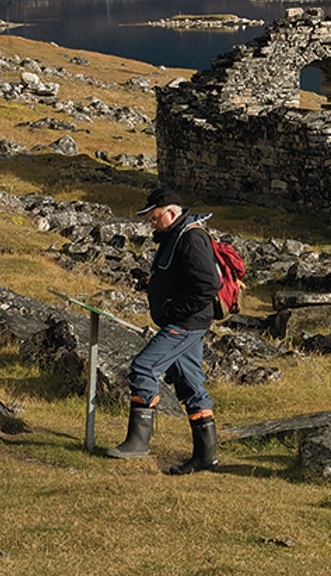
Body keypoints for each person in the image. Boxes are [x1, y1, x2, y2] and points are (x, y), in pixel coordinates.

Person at [105, 186, 221, 474]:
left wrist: (173, 311)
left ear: (172, 212)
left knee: (144, 367)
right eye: (150, 220)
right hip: (185, 322)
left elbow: (208, 285)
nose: (152, 224)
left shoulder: (191, 237)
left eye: (155, 218)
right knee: (191, 386)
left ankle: (138, 443)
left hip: (185, 324)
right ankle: (205, 458)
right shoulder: (176, 236)